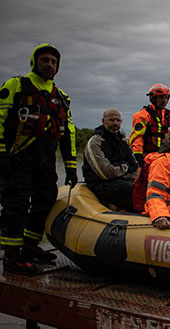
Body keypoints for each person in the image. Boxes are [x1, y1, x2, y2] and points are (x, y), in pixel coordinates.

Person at [0, 43, 77, 274]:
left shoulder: (61, 97)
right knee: (17, 204)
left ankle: (30, 246)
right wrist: (2, 154)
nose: (49, 65)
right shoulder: (16, 86)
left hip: (45, 158)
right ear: (35, 62)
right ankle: (12, 257)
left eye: (54, 62)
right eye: (45, 60)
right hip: (18, 156)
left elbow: (69, 133)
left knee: (45, 200)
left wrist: (71, 167)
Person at [82, 109, 139, 211]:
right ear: (103, 121)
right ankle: (139, 214)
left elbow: (134, 168)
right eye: (111, 120)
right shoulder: (95, 142)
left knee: (144, 184)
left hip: (121, 180)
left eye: (118, 120)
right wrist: (125, 166)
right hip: (100, 183)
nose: (115, 123)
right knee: (129, 188)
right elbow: (106, 173)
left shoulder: (122, 142)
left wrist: (120, 169)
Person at [128, 83, 170, 168]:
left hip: (167, 157)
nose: (164, 101)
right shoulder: (142, 115)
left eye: (166, 97)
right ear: (153, 98)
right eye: (161, 97)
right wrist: (138, 156)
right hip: (147, 157)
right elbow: (137, 138)